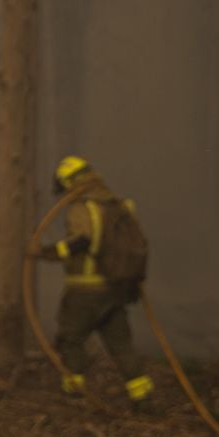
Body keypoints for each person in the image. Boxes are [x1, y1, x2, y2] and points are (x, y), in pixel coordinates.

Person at [34, 156, 155, 407]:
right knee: (121, 344)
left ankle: (74, 392)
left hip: (85, 291)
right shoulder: (118, 206)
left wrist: (46, 252)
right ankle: (142, 394)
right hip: (115, 289)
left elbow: (81, 242)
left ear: (70, 181)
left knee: (71, 339)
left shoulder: (83, 207)